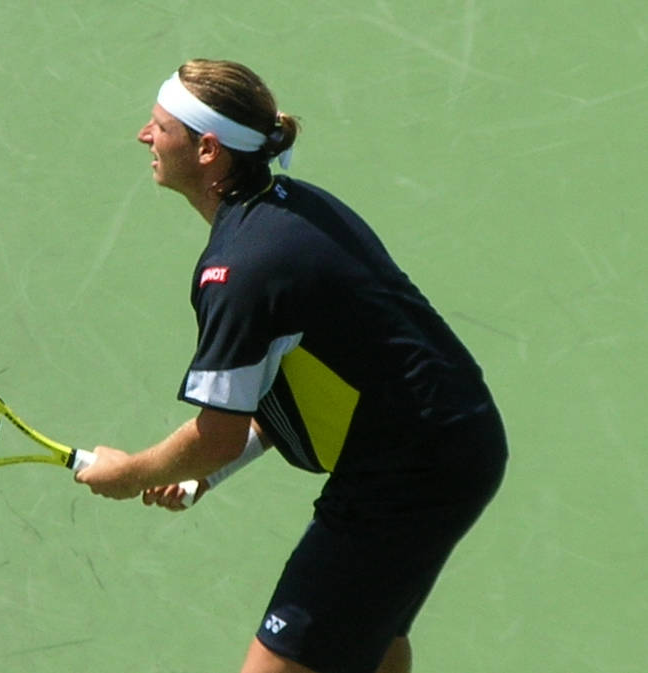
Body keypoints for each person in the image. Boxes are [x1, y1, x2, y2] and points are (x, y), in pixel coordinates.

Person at [74, 59, 508, 673]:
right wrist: (204, 475)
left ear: (207, 151)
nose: (144, 136)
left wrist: (133, 473)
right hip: (450, 439)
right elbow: (313, 382)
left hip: (407, 474)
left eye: (160, 126)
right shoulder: (293, 210)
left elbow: (217, 435)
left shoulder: (239, 271)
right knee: (372, 642)